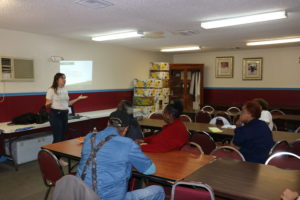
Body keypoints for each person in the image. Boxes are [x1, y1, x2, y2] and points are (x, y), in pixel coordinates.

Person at [76, 110, 165, 200]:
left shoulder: (89, 137)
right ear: (126, 129)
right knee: (159, 190)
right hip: (108, 197)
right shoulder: (128, 144)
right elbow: (150, 170)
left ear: (108, 123)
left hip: (81, 195)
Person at [45, 73, 87, 143]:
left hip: (64, 114)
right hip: (56, 115)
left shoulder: (65, 89)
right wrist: (50, 103)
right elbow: (46, 105)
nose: (64, 80)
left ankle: (59, 153)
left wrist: (78, 98)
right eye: (62, 78)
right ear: (57, 80)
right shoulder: (51, 90)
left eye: (65, 78)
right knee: (58, 138)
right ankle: (54, 153)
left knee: (62, 137)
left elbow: (68, 103)